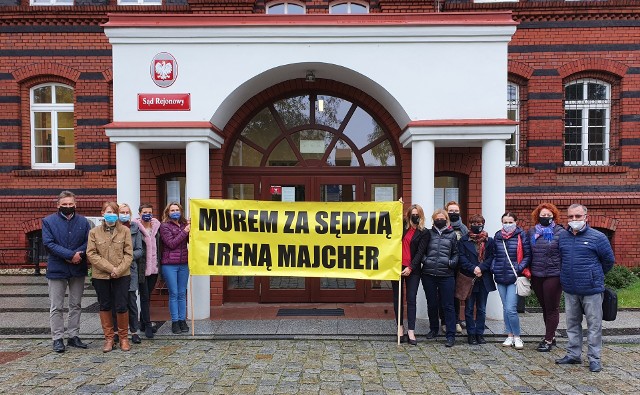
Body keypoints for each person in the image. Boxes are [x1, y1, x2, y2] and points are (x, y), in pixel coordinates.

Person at [555, 204, 614, 373]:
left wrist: (594, 275)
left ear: (586, 217)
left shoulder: (598, 237)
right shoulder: (563, 237)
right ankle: (573, 354)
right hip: (570, 288)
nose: (574, 220)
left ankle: (594, 358)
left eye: (578, 216)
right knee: (572, 324)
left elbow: (608, 261)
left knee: (594, 325)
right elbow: (561, 258)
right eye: (571, 217)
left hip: (591, 289)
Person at [42, 190, 91, 353]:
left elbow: (88, 242)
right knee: (57, 306)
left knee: (75, 304)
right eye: (64, 204)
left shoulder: (84, 222)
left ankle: (73, 336)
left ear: (75, 204)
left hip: (78, 267)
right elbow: (49, 244)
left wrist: (78, 255)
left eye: (71, 204)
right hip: (57, 268)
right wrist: (70, 255)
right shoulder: (48, 221)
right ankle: (57, 338)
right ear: (58, 205)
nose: (68, 207)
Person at [87, 201, 133, 352]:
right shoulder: (94, 232)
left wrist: (118, 270)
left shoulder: (124, 231)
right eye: (108, 212)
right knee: (105, 304)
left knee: (121, 305)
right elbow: (91, 254)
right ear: (102, 213)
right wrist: (110, 268)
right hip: (101, 275)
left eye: (114, 212)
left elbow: (128, 254)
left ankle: (123, 338)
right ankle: (109, 338)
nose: (111, 215)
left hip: (122, 274)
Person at [527, 203, 564, 352]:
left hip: (553, 274)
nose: (546, 217)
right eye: (543, 215)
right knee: (544, 307)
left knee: (552, 308)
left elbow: (564, 253)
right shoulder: (532, 232)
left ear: (554, 216)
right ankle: (552, 335)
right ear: (538, 216)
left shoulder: (560, 232)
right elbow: (529, 252)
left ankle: (548, 340)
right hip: (537, 274)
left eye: (549, 215)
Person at [492, 211, 530, 350]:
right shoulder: (498, 236)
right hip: (501, 276)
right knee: (505, 308)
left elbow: (527, 255)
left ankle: (517, 336)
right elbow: (494, 254)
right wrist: (494, 267)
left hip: (515, 277)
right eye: (505, 222)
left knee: (511, 308)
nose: (507, 225)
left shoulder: (521, 235)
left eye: (510, 222)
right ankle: (509, 335)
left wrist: (519, 267)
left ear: (515, 222)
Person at [393, 204, 429, 345]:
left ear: (421, 215)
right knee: (398, 298)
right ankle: (400, 328)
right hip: (396, 267)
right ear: (408, 215)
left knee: (411, 298)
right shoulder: (402, 227)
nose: (415, 216)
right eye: (412, 214)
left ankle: (411, 330)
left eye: (417, 214)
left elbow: (420, 253)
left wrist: (411, 267)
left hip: (412, 269)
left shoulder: (424, 232)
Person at [422, 209, 459, 347]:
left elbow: (456, 253)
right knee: (432, 304)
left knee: (448, 305)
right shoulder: (428, 233)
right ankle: (433, 329)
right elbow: (422, 250)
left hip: (446, 275)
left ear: (446, 219)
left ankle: (450, 334)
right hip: (428, 274)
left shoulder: (452, 235)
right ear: (433, 220)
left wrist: (451, 263)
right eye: (437, 218)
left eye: (442, 218)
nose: (439, 220)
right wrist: (426, 261)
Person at [458, 214, 495, 345]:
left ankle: (480, 333)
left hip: (483, 278)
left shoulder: (489, 241)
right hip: (470, 278)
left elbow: (491, 257)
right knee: (468, 309)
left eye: (479, 224)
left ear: (483, 225)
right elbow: (462, 258)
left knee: (482, 308)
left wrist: (481, 268)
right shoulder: (464, 240)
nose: (477, 226)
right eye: (474, 224)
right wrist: (474, 268)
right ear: (470, 225)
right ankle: (471, 334)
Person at [113, 203, 144, 345]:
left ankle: (134, 332)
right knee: (117, 303)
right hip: (114, 269)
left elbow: (139, 250)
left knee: (131, 302)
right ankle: (117, 332)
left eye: (127, 212)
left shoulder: (135, 228)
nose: (124, 214)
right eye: (122, 212)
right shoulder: (112, 228)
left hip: (130, 269)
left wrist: (126, 258)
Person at [160, 201, 190, 334]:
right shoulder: (164, 226)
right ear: (168, 212)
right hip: (169, 264)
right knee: (174, 293)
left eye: (177, 210)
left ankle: (182, 320)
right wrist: (185, 231)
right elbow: (171, 244)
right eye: (172, 210)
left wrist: (191, 229)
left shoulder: (184, 225)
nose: (175, 212)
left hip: (184, 263)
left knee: (182, 293)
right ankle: (175, 321)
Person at [134, 203, 162, 339]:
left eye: (150, 212)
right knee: (144, 296)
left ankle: (143, 323)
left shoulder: (156, 226)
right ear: (139, 214)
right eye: (144, 212)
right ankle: (148, 325)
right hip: (141, 268)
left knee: (147, 296)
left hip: (154, 268)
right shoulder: (135, 228)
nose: (147, 214)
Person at [442, 201, 468, 334]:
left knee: (457, 295)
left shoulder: (464, 229)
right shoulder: (442, 227)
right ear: (446, 212)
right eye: (451, 211)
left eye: (456, 211)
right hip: (445, 265)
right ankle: (445, 321)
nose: (453, 213)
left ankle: (456, 320)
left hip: (460, 266)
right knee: (444, 295)